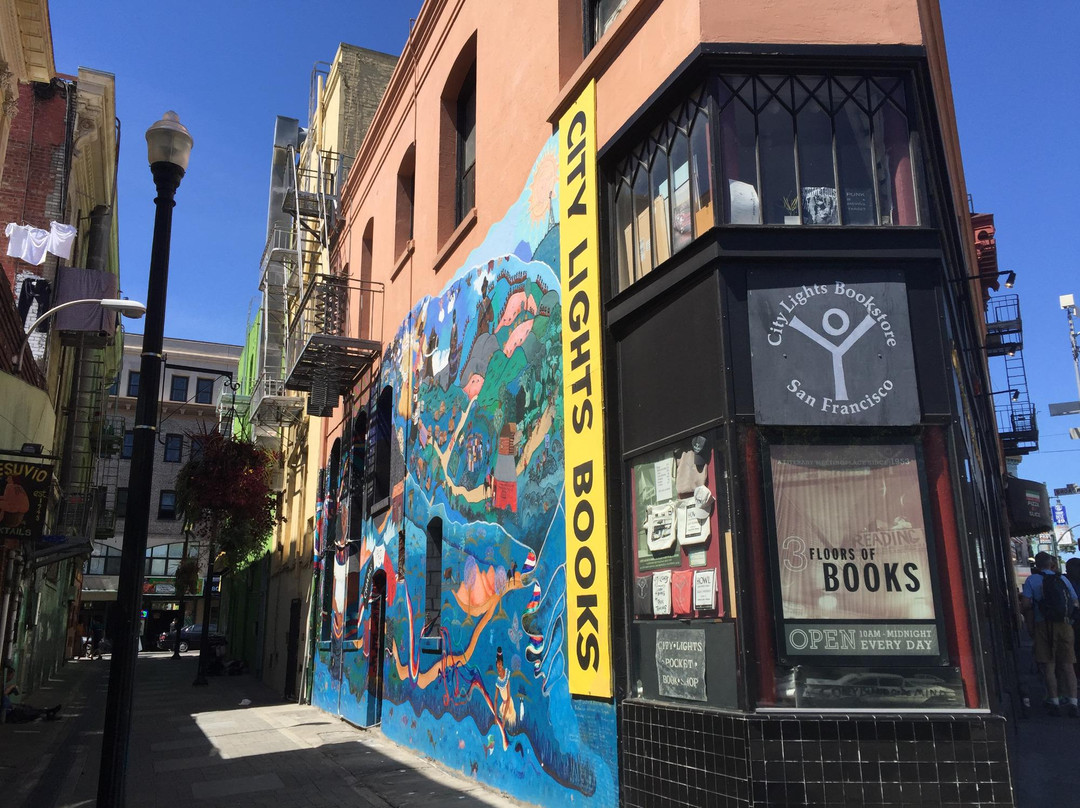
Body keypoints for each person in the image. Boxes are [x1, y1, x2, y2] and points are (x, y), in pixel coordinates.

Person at [1020, 551, 1080, 716]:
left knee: (1049, 665)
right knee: (1068, 664)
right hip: (1064, 625)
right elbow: (1075, 602)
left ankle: (1054, 701)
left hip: (1043, 626)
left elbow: (1026, 604)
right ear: (1051, 564)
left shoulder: (1032, 580)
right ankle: (1073, 702)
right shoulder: (1062, 579)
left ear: (1036, 565)